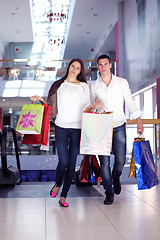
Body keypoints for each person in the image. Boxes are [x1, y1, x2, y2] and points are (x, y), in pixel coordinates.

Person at [30, 58, 100, 207]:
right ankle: (57, 184)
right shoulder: (58, 85)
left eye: (78, 68)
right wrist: (38, 100)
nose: (74, 70)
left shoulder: (84, 86)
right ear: (69, 67)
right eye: (73, 66)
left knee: (72, 162)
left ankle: (64, 196)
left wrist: (94, 105)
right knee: (64, 161)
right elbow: (49, 105)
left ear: (81, 71)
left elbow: (87, 108)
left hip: (78, 128)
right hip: (61, 126)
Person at [89, 54, 144, 205]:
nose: (103, 67)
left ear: (110, 65)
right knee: (104, 162)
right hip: (101, 127)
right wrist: (95, 106)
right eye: (100, 65)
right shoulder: (93, 85)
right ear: (98, 67)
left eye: (105, 64)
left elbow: (130, 101)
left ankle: (115, 177)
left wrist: (138, 120)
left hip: (119, 125)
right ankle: (109, 192)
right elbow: (89, 107)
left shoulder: (121, 83)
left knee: (120, 160)